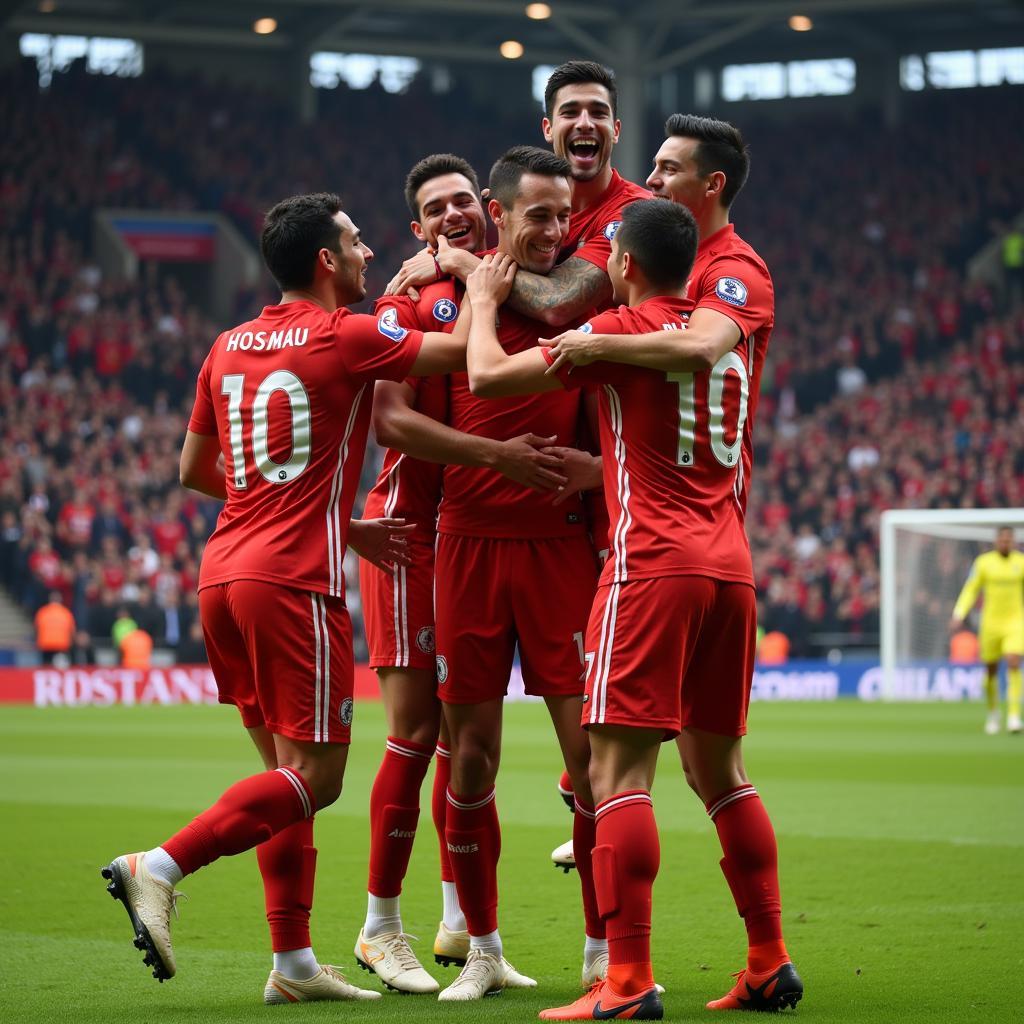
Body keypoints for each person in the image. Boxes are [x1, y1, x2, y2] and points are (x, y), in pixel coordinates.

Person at [101, 191, 467, 1004]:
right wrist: (460, 267)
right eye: (359, 241)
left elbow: (196, 470)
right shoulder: (348, 334)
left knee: (279, 775)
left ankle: (294, 967)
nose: (373, 252)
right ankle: (155, 867)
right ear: (327, 262)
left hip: (224, 575)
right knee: (319, 778)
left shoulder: (228, 344)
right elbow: (462, 350)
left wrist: (321, 514)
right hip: (292, 586)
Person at [472, 188, 802, 1016]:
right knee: (720, 771)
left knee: (616, 774)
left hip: (651, 566)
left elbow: (486, 374)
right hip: (730, 564)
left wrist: (482, 299)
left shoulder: (616, 332)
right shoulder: (717, 339)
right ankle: (768, 957)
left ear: (621, 264)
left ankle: (623, 981)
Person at [354, 153, 560, 994]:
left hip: (466, 533)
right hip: (411, 535)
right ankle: (378, 924)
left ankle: (454, 920)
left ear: (487, 208)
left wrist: (471, 271)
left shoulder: (510, 286)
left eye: (460, 203)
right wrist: (500, 457)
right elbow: (394, 426)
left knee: (464, 747)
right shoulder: (402, 304)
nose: (450, 216)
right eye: (433, 210)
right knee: (415, 735)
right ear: (416, 227)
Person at [424, 146, 602, 1002]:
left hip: (559, 550)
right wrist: (461, 277)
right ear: (497, 212)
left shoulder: (583, 291)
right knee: (470, 759)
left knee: (590, 760)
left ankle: (606, 954)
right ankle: (484, 947)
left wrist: (476, 274)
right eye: (536, 213)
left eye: (563, 214)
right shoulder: (440, 301)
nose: (553, 230)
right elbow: (397, 421)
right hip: (464, 546)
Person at [950, 526, 1024, 734]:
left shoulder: (1021, 562)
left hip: (1016, 622)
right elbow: (971, 589)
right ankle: (993, 713)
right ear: (996, 541)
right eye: (1002, 539)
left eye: (1009, 539)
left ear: (1013, 541)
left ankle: (1014, 716)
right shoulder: (984, 563)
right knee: (990, 671)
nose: (1005, 542)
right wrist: (959, 613)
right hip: (990, 623)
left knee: (1013, 661)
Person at [34, 591, 75, 666]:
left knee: (46, 668)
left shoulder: (42, 612)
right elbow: (72, 630)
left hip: (46, 644)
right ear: (60, 599)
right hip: (62, 645)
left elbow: (36, 628)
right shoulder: (66, 612)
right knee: (60, 668)